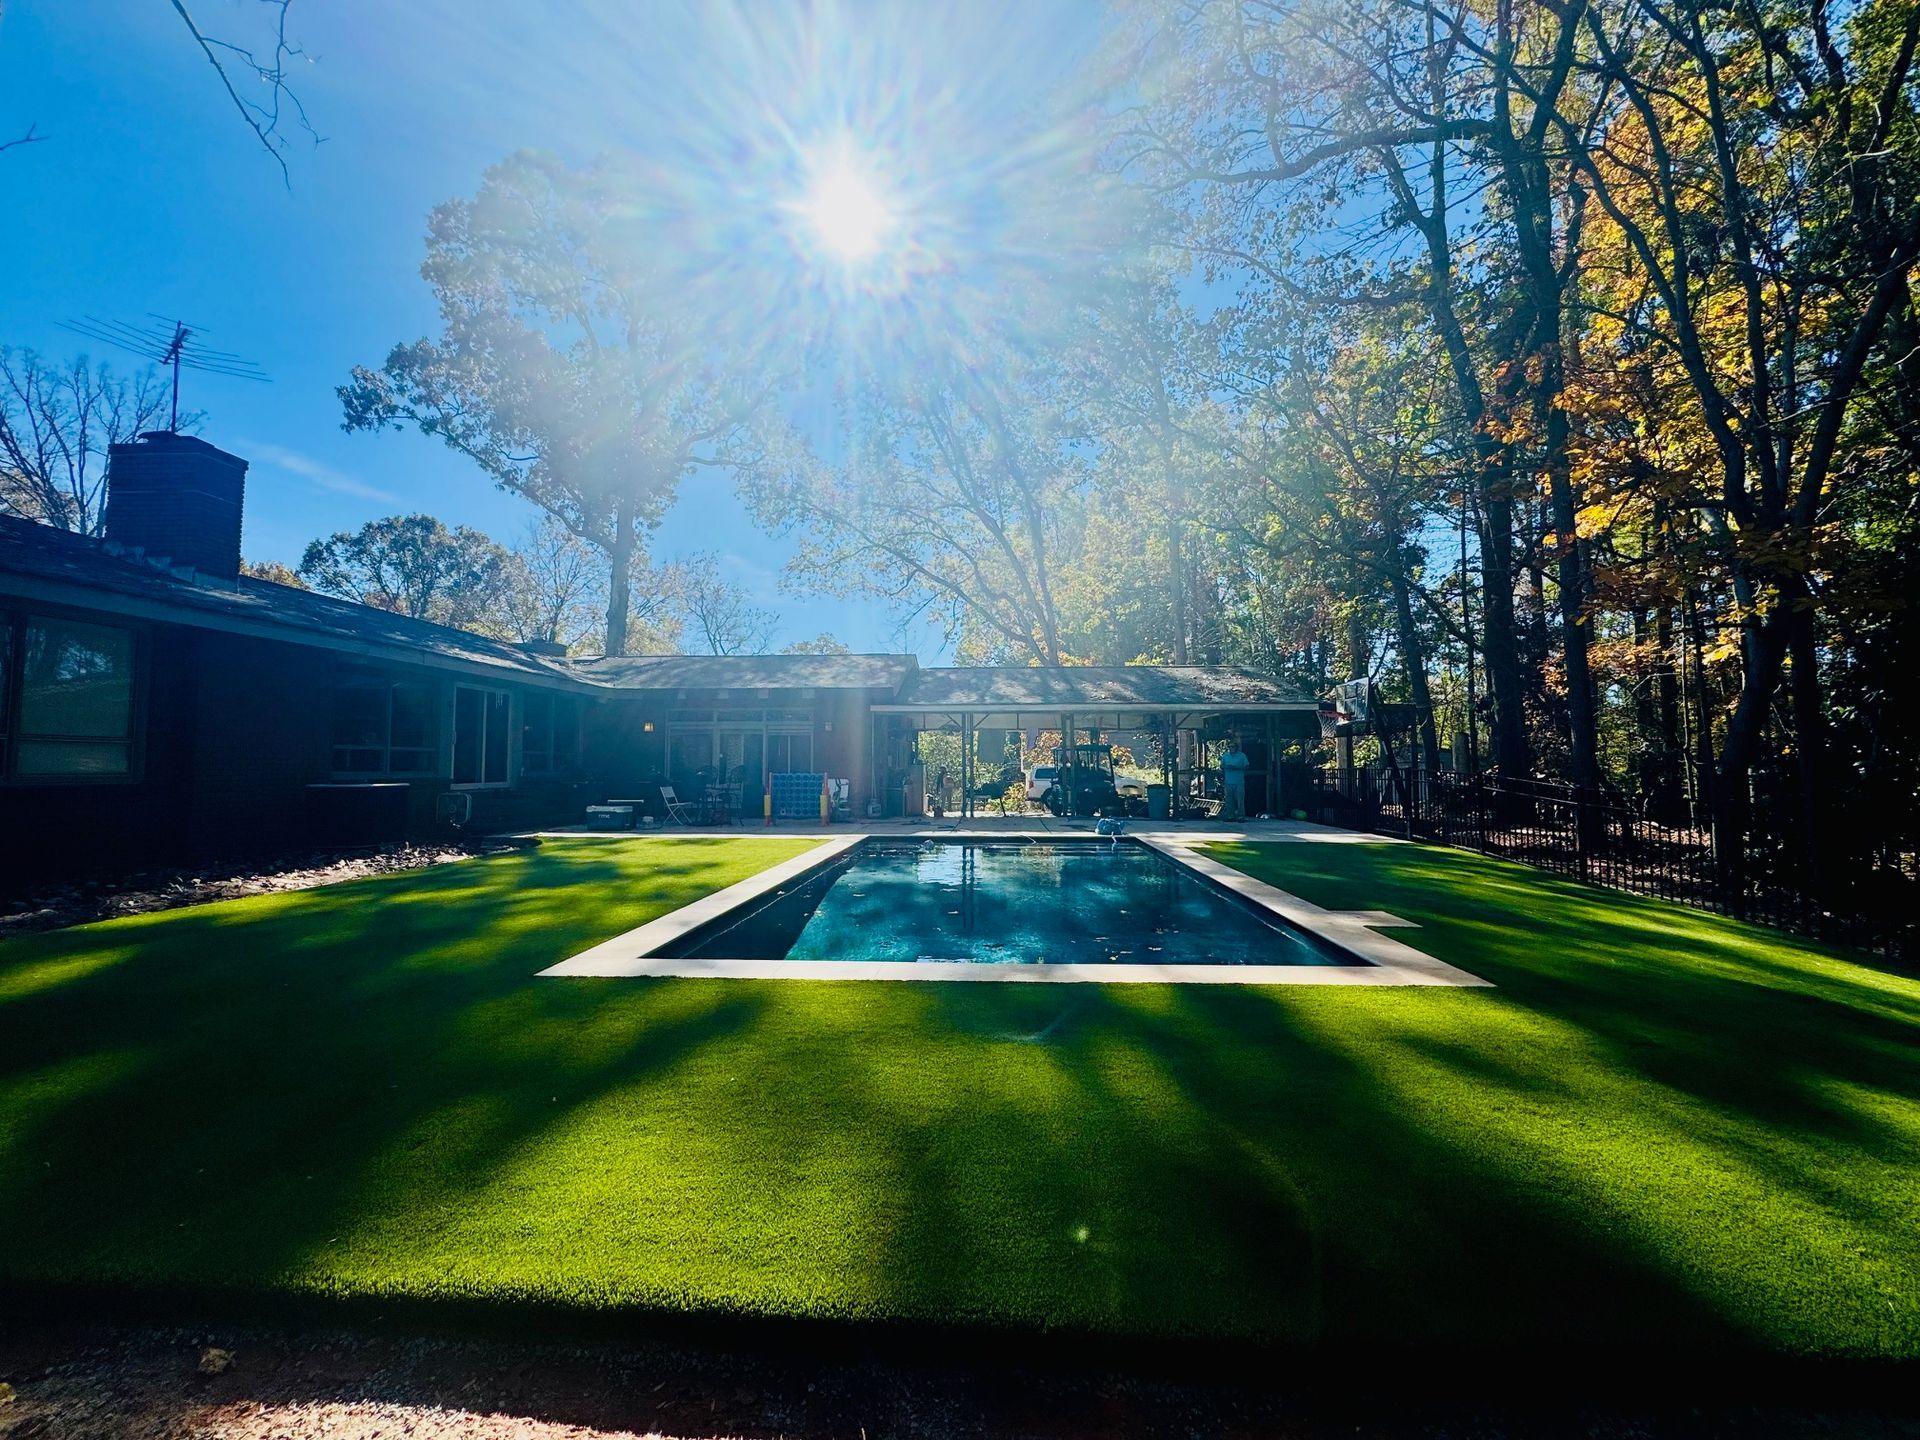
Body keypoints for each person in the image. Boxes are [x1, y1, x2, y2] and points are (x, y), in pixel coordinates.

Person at [1220, 738, 1250, 821]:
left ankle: (1241, 816)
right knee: (1229, 800)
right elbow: (1221, 766)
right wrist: (1226, 767)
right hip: (1228, 781)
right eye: (1229, 747)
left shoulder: (1242, 756)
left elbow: (1247, 766)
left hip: (1239, 781)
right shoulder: (1225, 756)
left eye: (1233, 746)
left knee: (1240, 800)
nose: (1231, 748)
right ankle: (1230, 816)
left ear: (1236, 747)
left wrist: (1237, 767)